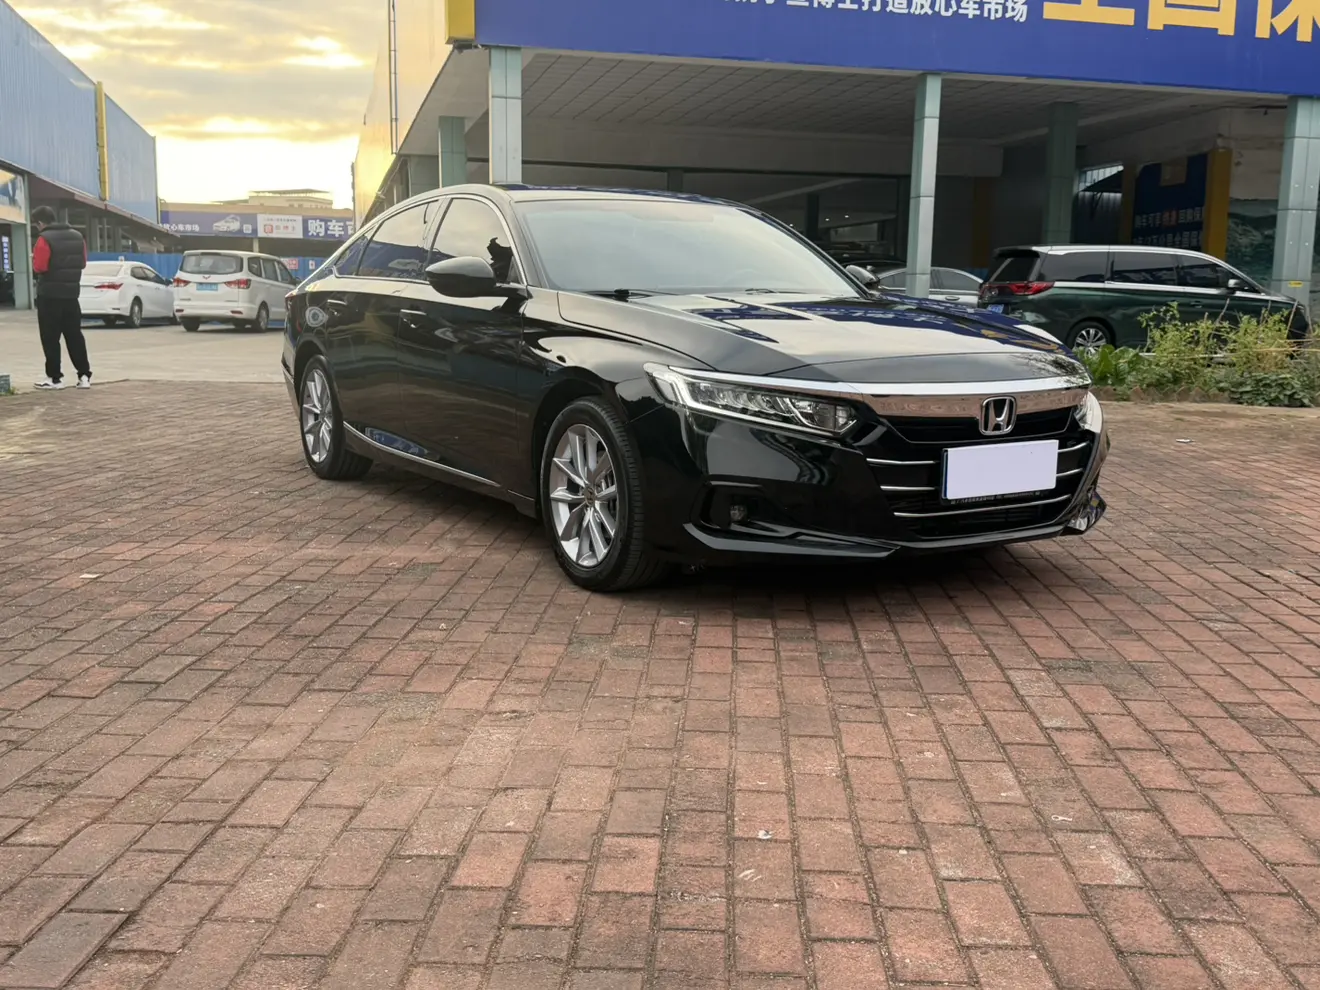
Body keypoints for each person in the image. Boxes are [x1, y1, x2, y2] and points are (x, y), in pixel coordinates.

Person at [30, 205, 92, 390]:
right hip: (71, 296)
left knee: (50, 338)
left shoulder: (44, 239)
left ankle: (55, 378)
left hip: (49, 296)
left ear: (40, 223)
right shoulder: (78, 237)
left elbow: (40, 266)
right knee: (74, 336)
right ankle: (84, 376)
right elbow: (82, 262)